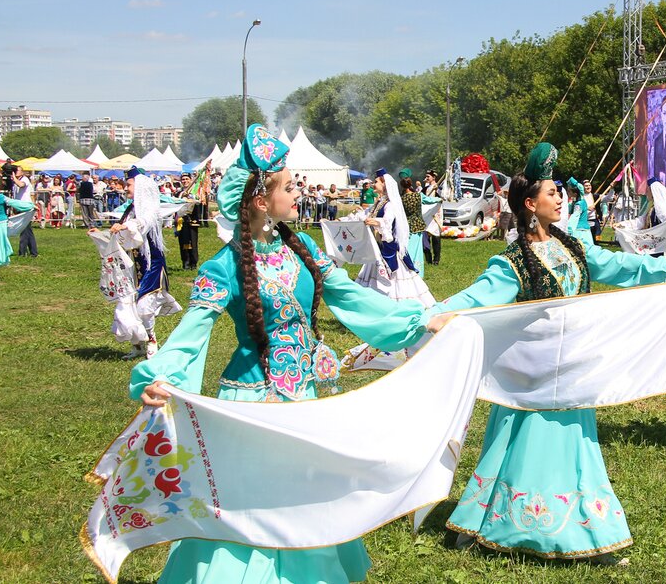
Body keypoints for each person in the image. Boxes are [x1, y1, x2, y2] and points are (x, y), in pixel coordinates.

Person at [130, 124, 442, 583]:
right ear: (261, 200)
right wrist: (159, 375)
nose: (298, 194)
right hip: (253, 402)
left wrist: (418, 321)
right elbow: (192, 332)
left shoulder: (301, 248)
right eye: (290, 186)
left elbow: (348, 297)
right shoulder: (225, 266)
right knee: (253, 502)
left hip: (306, 398)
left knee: (305, 495)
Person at [426, 142, 666, 565]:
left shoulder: (573, 246)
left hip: (574, 371)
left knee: (576, 448)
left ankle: (587, 526)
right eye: (552, 192)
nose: (560, 198)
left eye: (560, 191)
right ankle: (494, 519)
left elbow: (622, 268)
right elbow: (478, 296)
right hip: (531, 376)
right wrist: (439, 314)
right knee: (514, 442)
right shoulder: (514, 261)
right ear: (530, 204)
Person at [98, 167, 183, 358]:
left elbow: (142, 223)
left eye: (128, 185)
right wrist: (102, 235)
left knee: (144, 306)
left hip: (152, 265)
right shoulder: (130, 210)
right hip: (133, 264)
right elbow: (123, 234)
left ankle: (151, 340)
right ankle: (136, 345)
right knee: (128, 303)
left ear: (141, 188)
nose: (125, 188)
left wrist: (126, 226)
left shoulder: (150, 210)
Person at [353, 169, 434, 305]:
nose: (373, 184)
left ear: (384, 185)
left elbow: (387, 223)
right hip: (378, 247)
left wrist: (375, 222)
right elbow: (365, 215)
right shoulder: (379, 203)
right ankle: (372, 304)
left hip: (388, 248)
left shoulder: (389, 204)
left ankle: (395, 302)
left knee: (395, 277)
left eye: (376, 182)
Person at [7, 164, 37, 257]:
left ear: (22, 172)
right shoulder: (15, 181)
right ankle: (33, 252)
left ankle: (22, 252)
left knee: (24, 230)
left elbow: (21, 185)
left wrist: (14, 178)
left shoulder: (24, 179)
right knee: (27, 230)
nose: (16, 172)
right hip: (20, 207)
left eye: (17, 170)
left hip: (25, 207)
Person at [421, 170, 443, 264]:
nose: (427, 178)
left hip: (436, 214)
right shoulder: (425, 189)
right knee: (425, 237)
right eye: (426, 176)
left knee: (436, 237)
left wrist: (438, 190)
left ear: (433, 177)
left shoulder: (439, 188)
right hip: (427, 214)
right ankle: (428, 258)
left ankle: (436, 260)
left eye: (428, 176)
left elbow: (443, 197)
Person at [565, 176, 594, 246]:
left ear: (575, 194)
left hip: (580, 231)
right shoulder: (576, 201)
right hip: (582, 229)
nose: (568, 193)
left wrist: (569, 229)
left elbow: (575, 216)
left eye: (569, 191)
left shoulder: (579, 204)